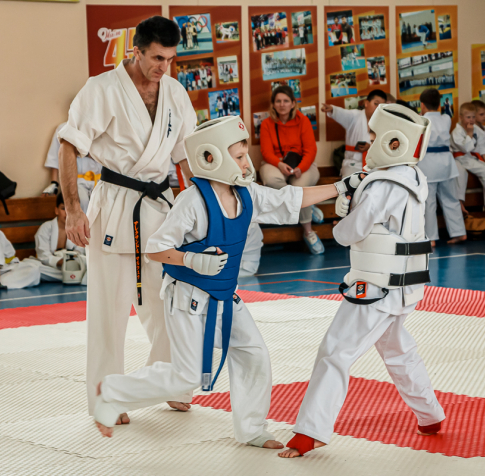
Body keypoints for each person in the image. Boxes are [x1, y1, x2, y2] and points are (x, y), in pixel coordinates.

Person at [92, 116, 361, 444]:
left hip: (223, 295)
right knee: (186, 375)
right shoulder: (192, 201)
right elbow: (155, 248)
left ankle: (252, 429)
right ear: (211, 157)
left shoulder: (247, 194)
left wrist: (340, 187)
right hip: (187, 297)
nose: (247, 163)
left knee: (253, 354)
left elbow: (289, 199)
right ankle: (113, 390)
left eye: (245, 154)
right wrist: (191, 259)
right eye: (239, 156)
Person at [279, 104, 446, 459]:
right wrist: (354, 200)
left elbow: (347, 234)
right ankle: (430, 415)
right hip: (405, 287)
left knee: (335, 352)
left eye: (374, 136)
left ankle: (309, 432)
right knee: (398, 349)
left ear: (393, 141)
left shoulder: (380, 185)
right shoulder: (414, 177)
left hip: (375, 287)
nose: (369, 143)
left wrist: (346, 214)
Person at [57, 16, 197, 419]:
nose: (163, 67)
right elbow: (69, 147)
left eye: (170, 59)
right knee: (109, 309)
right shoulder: (101, 89)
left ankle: (170, 380)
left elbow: (186, 157)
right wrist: (73, 210)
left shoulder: (175, 92)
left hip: (161, 206)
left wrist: (197, 210)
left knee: (170, 301)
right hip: (115, 203)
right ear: (136, 51)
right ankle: (107, 396)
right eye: (156, 58)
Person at [259, 85, 324, 254]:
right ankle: (307, 206)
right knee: (272, 180)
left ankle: (308, 232)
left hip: (302, 165)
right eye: (278, 101)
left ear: (293, 103)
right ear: (273, 104)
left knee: (299, 189)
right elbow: (266, 152)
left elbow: (310, 150)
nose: (282, 104)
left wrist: (301, 168)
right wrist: (279, 164)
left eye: (286, 101)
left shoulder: (303, 121)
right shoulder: (266, 124)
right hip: (276, 163)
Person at [416, 89, 466, 246]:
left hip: (428, 164)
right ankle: (459, 233)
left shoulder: (421, 120)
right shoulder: (446, 119)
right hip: (446, 164)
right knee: (451, 199)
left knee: (429, 202)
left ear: (422, 105)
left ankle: (431, 238)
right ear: (439, 105)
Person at [321, 89, 387, 176]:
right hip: (353, 163)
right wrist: (333, 109)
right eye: (376, 104)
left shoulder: (384, 123)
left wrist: (370, 147)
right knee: (350, 182)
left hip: (374, 164)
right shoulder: (354, 116)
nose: (378, 108)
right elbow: (343, 113)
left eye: (382, 106)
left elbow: (386, 145)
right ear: (366, 103)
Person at [42, 122, 102, 212]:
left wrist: (88, 153)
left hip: (100, 179)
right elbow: (55, 157)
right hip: (78, 180)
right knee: (82, 202)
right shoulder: (64, 128)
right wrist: (54, 183)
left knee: (101, 205)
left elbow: (107, 154)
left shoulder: (100, 127)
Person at [35, 193, 87, 283]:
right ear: (56, 210)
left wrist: (70, 261)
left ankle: (71, 275)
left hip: (73, 266)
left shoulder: (79, 229)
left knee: (88, 264)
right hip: (51, 268)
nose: (67, 213)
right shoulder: (46, 228)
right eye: (63, 208)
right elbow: (43, 255)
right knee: (34, 269)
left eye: (71, 209)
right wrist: (61, 261)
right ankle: (73, 276)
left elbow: (80, 251)